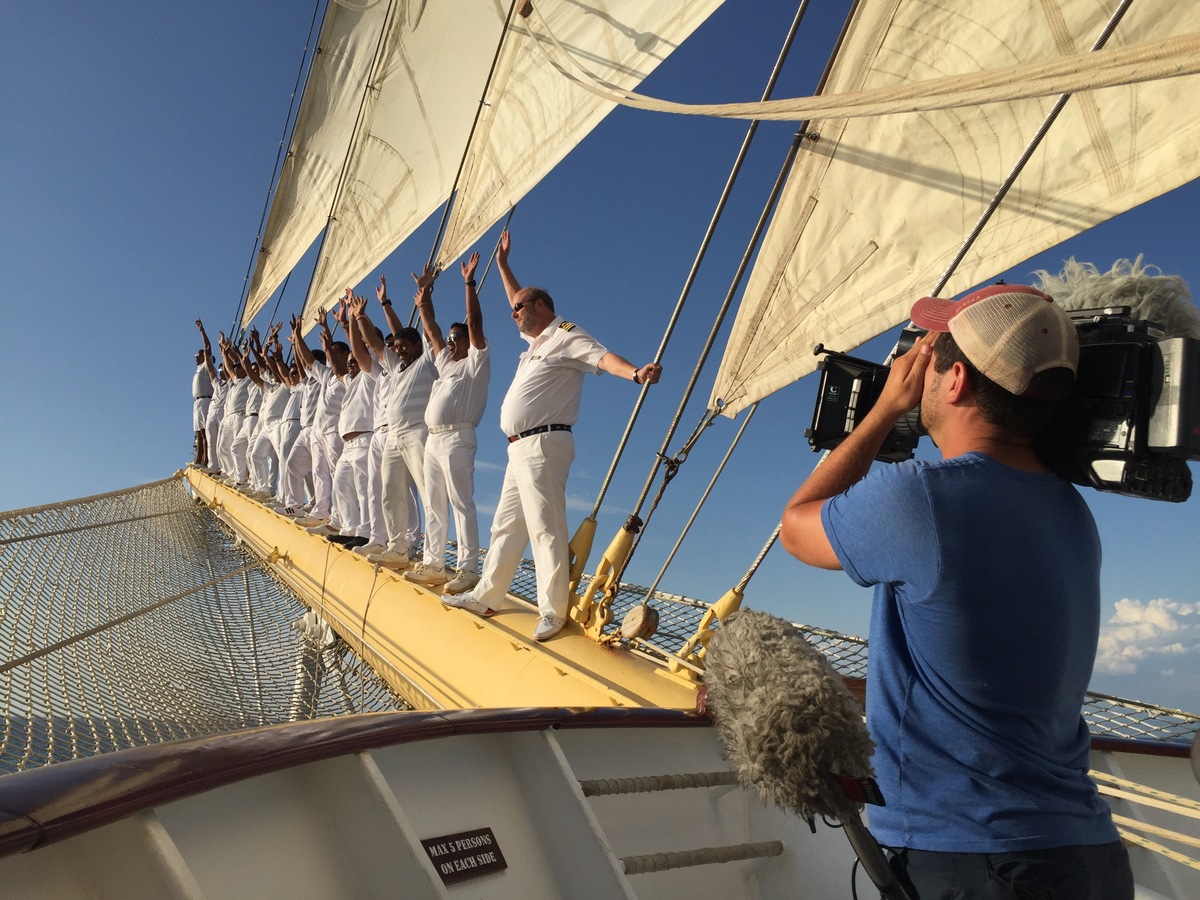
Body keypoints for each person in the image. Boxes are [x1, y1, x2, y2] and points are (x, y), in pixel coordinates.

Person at [779, 284, 1132, 899]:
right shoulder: (1071, 512)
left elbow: (797, 527)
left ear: (957, 380)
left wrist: (885, 409)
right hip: (1087, 856)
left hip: (976, 860)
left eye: (930, 355)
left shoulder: (922, 496)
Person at [443, 231, 662, 642]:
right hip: (519, 448)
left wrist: (633, 373)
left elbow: (603, 356)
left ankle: (552, 610)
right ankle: (487, 595)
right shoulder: (536, 340)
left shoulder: (565, 334)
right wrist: (504, 265)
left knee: (545, 528)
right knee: (506, 527)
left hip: (544, 444)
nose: (513, 314)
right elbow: (516, 297)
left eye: (519, 308)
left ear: (541, 306)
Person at [406, 253, 490, 593]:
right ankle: (434, 563)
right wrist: (425, 297)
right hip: (434, 440)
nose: (453, 340)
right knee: (434, 503)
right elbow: (431, 329)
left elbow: (475, 323)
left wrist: (468, 283)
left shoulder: (476, 363)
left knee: (460, 502)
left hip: (458, 438)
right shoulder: (446, 363)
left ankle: (468, 569)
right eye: (452, 337)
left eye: (459, 336)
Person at [192, 321, 214, 467]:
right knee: (199, 433)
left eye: (198, 355)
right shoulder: (198, 369)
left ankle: (207, 459)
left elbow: (208, 348)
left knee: (205, 432)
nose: (195, 357)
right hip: (197, 402)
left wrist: (202, 331)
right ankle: (198, 459)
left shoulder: (207, 366)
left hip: (206, 400)